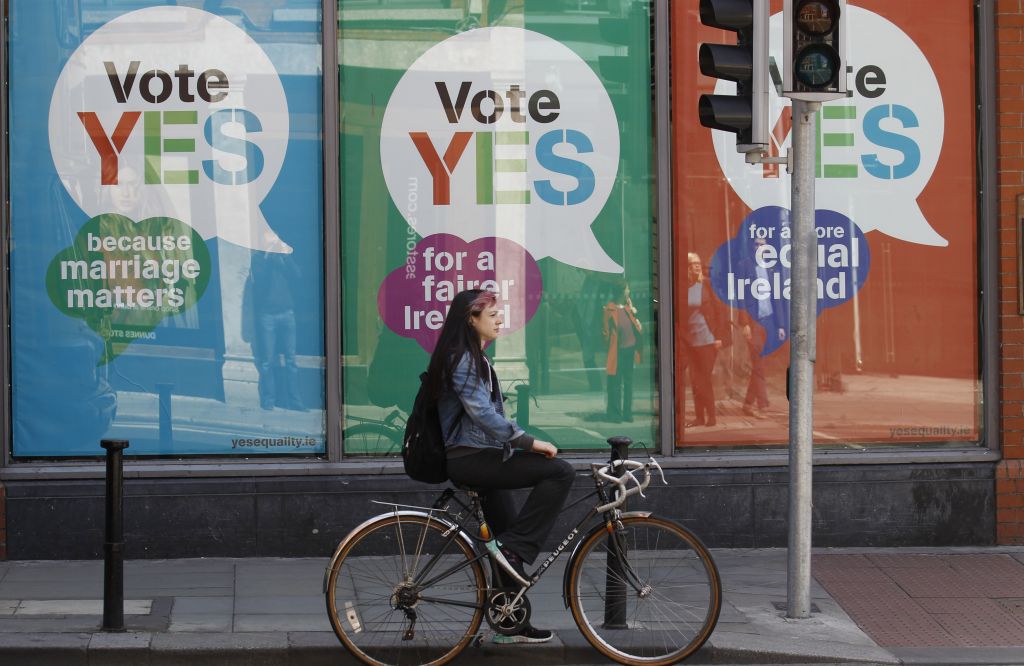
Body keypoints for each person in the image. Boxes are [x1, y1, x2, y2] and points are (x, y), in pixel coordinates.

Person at [427, 289, 575, 645]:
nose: (499, 320)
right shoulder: (462, 358)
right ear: (471, 319)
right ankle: (516, 549)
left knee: (506, 538)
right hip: (471, 459)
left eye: (499, 313)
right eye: (492, 314)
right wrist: (527, 441)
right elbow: (481, 414)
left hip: (481, 456)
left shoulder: (473, 355)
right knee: (560, 472)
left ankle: (511, 624)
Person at [248, 231, 304, 411]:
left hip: (287, 313)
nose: (271, 241)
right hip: (268, 316)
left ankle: (295, 402)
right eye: (267, 238)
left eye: (273, 237)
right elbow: (261, 282)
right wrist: (267, 256)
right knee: (267, 361)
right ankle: (268, 401)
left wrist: (284, 256)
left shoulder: (282, 258)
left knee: (291, 360)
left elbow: (298, 275)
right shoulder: (258, 259)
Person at [684, 252, 729, 427]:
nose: (697, 266)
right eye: (693, 263)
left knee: (704, 379)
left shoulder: (707, 285)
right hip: (690, 341)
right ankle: (699, 417)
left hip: (708, 339)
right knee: (695, 380)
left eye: (698, 263)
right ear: (687, 267)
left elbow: (720, 312)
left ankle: (711, 416)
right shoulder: (684, 287)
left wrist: (719, 337)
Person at [603, 280, 642, 422]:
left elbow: (635, 326)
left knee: (629, 382)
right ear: (621, 291)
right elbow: (605, 331)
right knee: (615, 383)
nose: (629, 292)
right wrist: (608, 344)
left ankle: (627, 413)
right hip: (617, 351)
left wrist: (633, 311)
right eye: (627, 289)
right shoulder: (610, 308)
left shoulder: (627, 308)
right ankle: (614, 414)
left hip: (630, 349)